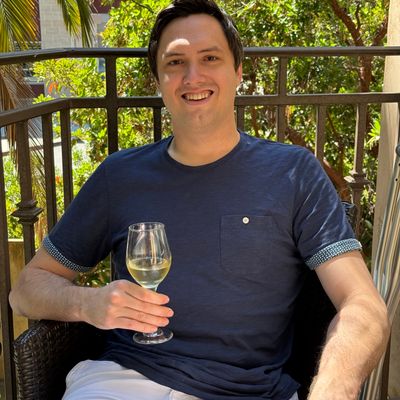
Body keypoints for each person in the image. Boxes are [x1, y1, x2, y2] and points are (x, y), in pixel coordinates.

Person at [9, 0, 389, 399]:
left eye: (210, 58)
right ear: (158, 81)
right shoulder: (119, 176)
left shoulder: (294, 173)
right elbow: (27, 289)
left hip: (250, 391)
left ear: (237, 71)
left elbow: (361, 303)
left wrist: (333, 388)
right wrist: (87, 304)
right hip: (125, 380)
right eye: (175, 63)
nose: (193, 77)